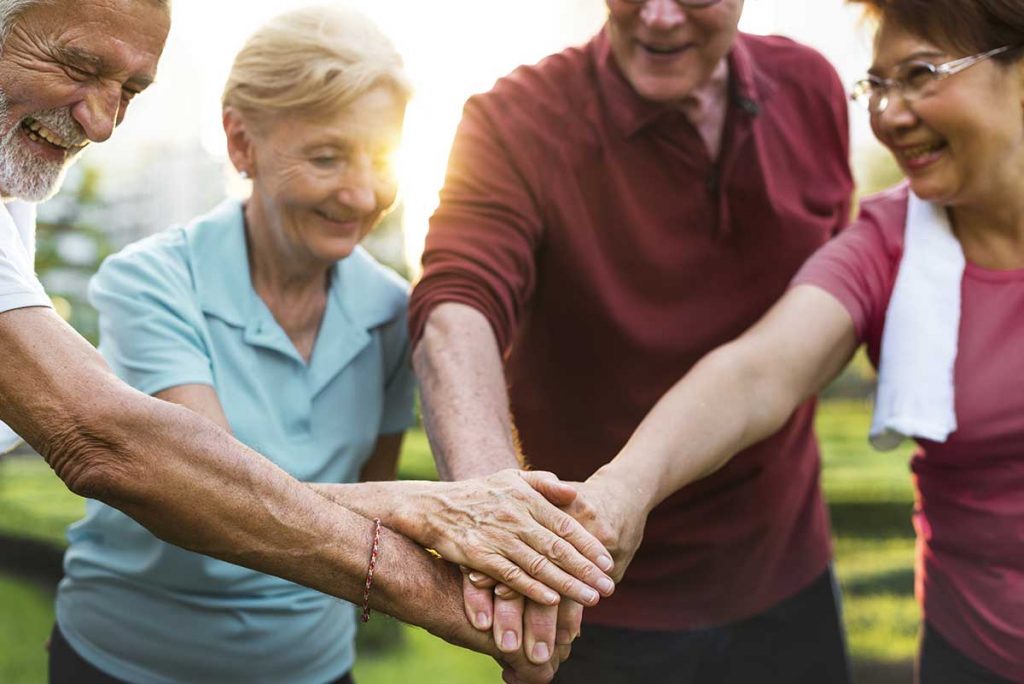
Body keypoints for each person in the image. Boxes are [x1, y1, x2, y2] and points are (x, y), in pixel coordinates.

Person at [0, 2, 611, 681]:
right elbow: (195, 497)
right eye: (326, 158)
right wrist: (429, 517)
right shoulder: (152, 279)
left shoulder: (390, 312)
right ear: (241, 144)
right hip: (129, 665)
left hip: (313, 668)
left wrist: (498, 573)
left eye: (381, 161)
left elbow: (362, 515)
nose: (359, 194)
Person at [561, 0, 1024, 681]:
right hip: (976, 653)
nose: (890, 114)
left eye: (920, 74)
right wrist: (623, 490)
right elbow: (757, 373)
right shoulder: (888, 244)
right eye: (878, 85)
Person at [409, 0, 855, 680]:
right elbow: (456, 308)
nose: (658, 18)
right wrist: (494, 510)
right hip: (595, 601)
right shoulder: (512, 120)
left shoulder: (814, 87)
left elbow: (826, 306)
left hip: (785, 583)